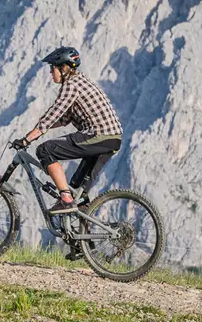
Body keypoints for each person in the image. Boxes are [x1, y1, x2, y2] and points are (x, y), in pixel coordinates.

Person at [11, 46, 123, 215]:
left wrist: (28, 139)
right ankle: (83, 227)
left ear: (64, 68)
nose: (50, 72)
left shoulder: (71, 85)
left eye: (52, 68)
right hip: (110, 139)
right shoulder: (80, 82)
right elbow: (64, 118)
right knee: (77, 190)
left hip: (99, 135)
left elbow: (53, 114)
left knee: (45, 150)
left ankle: (65, 199)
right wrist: (38, 130)